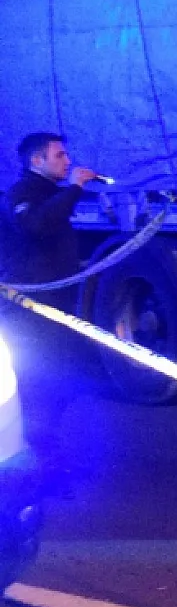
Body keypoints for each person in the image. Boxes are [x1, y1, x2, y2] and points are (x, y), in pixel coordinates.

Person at [0, 133, 97, 459]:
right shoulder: (20, 194)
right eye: (59, 156)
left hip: (54, 301)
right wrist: (75, 188)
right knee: (36, 375)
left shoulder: (49, 193)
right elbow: (36, 225)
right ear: (36, 160)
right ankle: (32, 449)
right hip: (28, 307)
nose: (67, 162)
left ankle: (45, 442)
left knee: (58, 373)